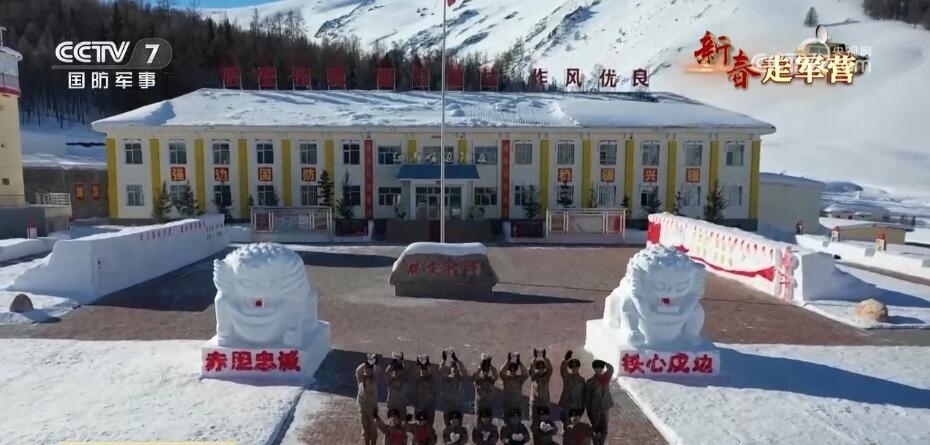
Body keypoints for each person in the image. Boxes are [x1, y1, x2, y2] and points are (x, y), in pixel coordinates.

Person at [583, 360, 614, 445]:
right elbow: (587, 398)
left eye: (600, 368)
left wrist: (605, 362)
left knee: (604, 428)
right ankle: (595, 442)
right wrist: (589, 411)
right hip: (595, 409)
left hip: (605, 407)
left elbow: (611, 369)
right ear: (594, 369)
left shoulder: (606, 377)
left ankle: (601, 442)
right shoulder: (590, 382)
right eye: (597, 368)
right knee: (595, 428)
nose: (599, 370)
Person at [439, 349, 468, 426]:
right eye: (453, 367)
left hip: (458, 406)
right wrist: (443, 360)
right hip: (448, 406)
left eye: (456, 368)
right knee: (448, 427)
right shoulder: (447, 379)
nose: (455, 369)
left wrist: (456, 360)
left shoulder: (461, 379)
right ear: (451, 368)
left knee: (458, 427)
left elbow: (464, 372)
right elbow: (441, 371)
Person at [357, 353, 381, 445]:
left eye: (369, 369)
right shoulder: (361, 379)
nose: (367, 371)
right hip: (363, 410)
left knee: (373, 430)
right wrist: (366, 362)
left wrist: (375, 363)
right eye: (366, 369)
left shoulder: (374, 379)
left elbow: (378, 371)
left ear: (372, 371)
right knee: (365, 430)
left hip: (372, 410)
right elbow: (358, 370)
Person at [558, 350, 585, 425]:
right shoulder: (567, 377)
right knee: (566, 425)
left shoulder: (581, 380)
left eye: (576, 367)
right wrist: (566, 361)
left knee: (575, 426)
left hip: (576, 407)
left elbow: (583, 395)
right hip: (566, 405)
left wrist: (582, 408)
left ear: (578, 368)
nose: (574, 369)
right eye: (573, 368)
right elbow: (563, 370)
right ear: (570, 368)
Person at [528, 348, 553, 427]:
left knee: (544, 422)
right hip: (535, 402)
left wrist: (544, 358)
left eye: (542, 369)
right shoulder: (534, 376)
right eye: (539, 369)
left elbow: (550, 368)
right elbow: (530, 370)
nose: (540, 370)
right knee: (534, 421)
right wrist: (534, 358)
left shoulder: (546, 376)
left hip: (544, 402)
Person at [499, 352, 528, 417]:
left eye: (514, 370)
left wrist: (519, 363)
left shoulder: (519, 379)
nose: (512, 371)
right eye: (511, 370)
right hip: (507, 405)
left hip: (517, 405)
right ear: (508, 370)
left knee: (517, 421)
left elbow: (526, 374)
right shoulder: (506, 378)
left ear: (516, 370)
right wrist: (507, 361)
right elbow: (501, 372)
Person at [472, 353, 498, 418]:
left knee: (488, 421)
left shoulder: (490, 380)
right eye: (484, 371)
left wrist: (490, 365)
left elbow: (496, 375)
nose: (485, 373)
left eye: (487, 371)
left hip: (488, 405)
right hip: (479, 405)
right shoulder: (479, 380)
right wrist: (480, 367)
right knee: (479, 422)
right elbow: (474, 378)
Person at [414, 354, 437, 424]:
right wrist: (420, 364)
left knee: (429, 425)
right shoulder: (418, 380)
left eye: (425, 370)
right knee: (419, 425)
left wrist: (428, 365)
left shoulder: (432, 380)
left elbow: (434, 373)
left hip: (429, 407)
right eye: (422, 371)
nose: (423, 372)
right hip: (420, 406)